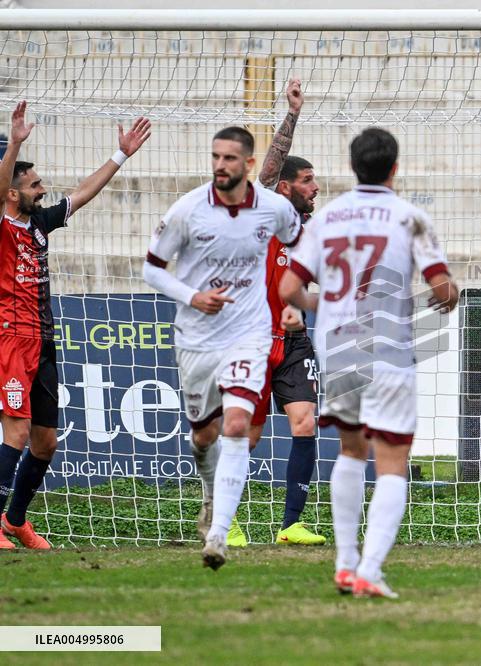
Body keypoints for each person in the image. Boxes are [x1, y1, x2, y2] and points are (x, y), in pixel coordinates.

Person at [280, 127, 459, 599]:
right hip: (390, 350)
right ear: (395, 169)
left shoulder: (329, 217)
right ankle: (371, 570)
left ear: (353, 166)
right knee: (393, 460)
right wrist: (448, 295)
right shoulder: (410, 218)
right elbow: (443, 290)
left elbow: (287, 289)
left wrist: (322, 305)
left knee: (351, 452)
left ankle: (344, 564)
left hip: (338, 348)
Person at [143, 125, 301, 570]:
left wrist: (293, 299)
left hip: (248, 333)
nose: (220, 165)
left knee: (236, 425)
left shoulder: (273, 207)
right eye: (216, 156)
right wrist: (193, 297)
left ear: (248, 164)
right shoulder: (188, 209)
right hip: (195, 338)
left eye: (230, 158)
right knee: (203, 436)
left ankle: (218, 537)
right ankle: (211, 494)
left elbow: (299, 248)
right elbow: (152, 270)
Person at [0, 101, 151, 549]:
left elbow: (83, 194)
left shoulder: (39, 223)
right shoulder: (3, 222)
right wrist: (14, 145)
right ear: (12, 193)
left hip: (44, 340)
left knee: (46, 443)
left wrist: (121, 155)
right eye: (33, 184)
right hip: (10, 339)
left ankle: (15, 521)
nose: (41, 188)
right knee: (18, 431)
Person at [218, 78, 325, 548]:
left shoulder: (307, 229)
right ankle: (225, 518)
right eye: (307, 181)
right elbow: (269, 170)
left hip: (294, 341)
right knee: (249, 435)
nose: (315, 188)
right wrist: (293, 115)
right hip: (253, 338)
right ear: (284, 188)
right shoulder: (263, 210)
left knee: (306, 422)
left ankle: (290, 525)